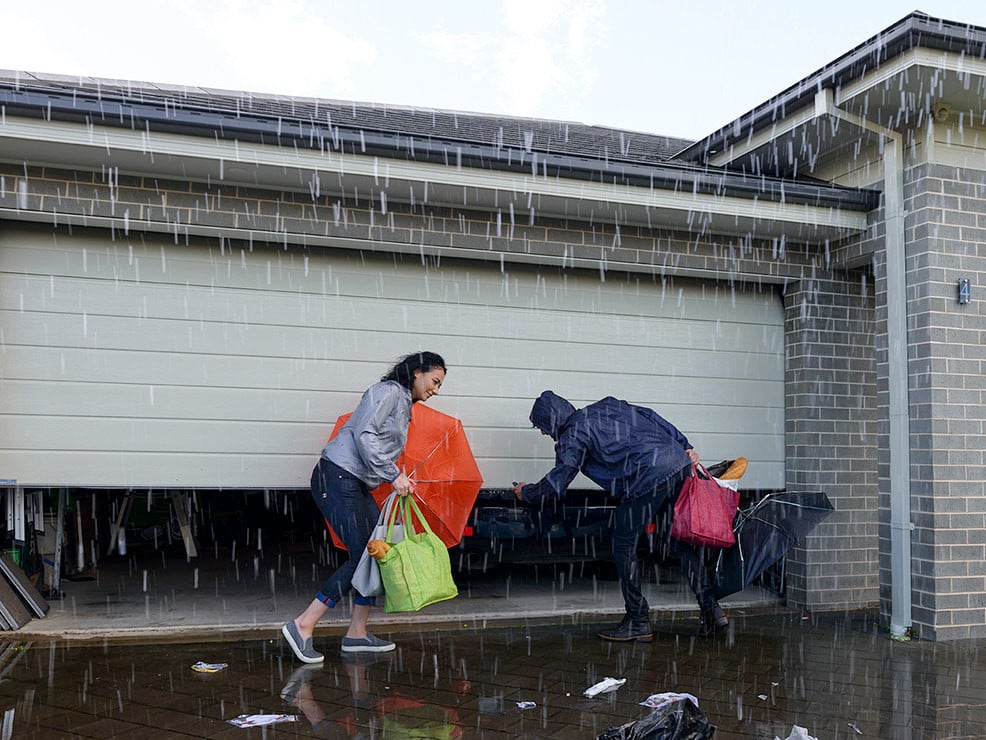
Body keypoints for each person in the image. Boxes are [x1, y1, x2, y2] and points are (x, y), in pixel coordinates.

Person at [512, 390, 728, 642]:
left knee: (623, 545)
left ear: (551, 420)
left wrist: (526, 492)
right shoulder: (606, 406)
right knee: (675, 541)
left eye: (541, 427)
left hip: (647, 478)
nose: (543, 433)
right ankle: (712, 610)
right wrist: (684, 444)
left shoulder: (572, 437)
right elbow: (650, 415)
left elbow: (559, 481)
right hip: (676, 465)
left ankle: (638, 620)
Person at [282, 351, 447, 663]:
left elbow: (378, 445)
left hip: (355, 482)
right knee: (362, 558)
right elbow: (364, 434)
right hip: (338, 476)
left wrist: (397, 478)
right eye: (435, 381)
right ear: (416, 373)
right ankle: (303, 625)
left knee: (378, 549)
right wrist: (392, 475)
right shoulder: (387, 392)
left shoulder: (403, 403)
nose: (436, 390)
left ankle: (357, 633)